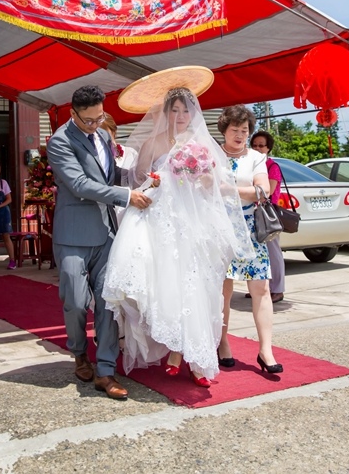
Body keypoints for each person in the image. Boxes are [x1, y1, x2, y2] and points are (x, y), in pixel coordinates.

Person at [103, 86, 252, 386]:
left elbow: (214, 183)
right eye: (175, 110)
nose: (182, 116)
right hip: (163, 220)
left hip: (193, 223)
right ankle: (175, 349)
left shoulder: (201, 143)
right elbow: (141, 179)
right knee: (169, 286)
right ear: (165, 113)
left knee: (196, 286)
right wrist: (161, 178)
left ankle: (196, 359)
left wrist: (197, 173)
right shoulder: (152, 143)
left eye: (186, 110)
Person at [46, 85, 153, 400]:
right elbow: (79, 183)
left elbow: (111, 178)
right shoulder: (59, 141)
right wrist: (126, 196)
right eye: (89, 120)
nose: (96, 125)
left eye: (100, 117)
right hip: (73, 234)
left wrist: (146, 181)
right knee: (76, 300)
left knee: (109, 302)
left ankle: (106, 371)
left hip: (107, 231)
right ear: (73, 114)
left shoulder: (105, 136)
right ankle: (79, 353)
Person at [217, 105, 283, 374]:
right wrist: (246, 191)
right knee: (224, 290)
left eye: (244, 130)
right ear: (224, 130)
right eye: (235, 130)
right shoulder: (211, 155)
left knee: (261, 288)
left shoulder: (255, 157)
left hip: (251, 229)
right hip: (219, 228)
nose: (240, 135)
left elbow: (263, 190)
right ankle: (222, 342)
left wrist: (227, 189)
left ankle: (265, 349)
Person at [249, 131, 286, 304]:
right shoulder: (250, 165)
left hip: (266, 215)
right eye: (255, 145)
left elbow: (267, 192)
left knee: (273, 252)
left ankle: (277, 289)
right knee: (256, 253)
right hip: (251, 214)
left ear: (268, 148)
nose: (257, 148)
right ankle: (259, 286)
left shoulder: (272, 167)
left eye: (261, 145)